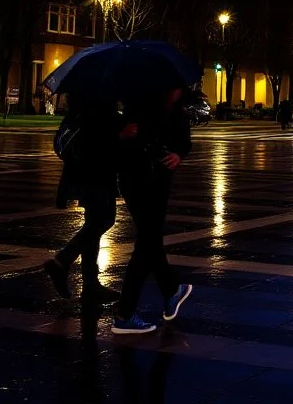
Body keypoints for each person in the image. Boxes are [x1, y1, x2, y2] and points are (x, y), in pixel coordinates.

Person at [112, 85, 195, 335]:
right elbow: (117, 141)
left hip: (157, 180)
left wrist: (178, 155)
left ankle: (171, 291)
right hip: (138, 179)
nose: (179, 92)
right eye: (175, 88)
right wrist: (122, 135)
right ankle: (125, 313)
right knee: (147, 242)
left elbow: (184, 142)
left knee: (150, 240)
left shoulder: (177, 112)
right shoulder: (139, 108)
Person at [43, 93, 123, 305]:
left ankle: (90, 283)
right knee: (102, 220)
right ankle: (63, 260)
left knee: (95, 222)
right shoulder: (98, 99)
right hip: (96, 170)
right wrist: (121, 130)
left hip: (84, 171)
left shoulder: (81, 99)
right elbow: (101, 132)